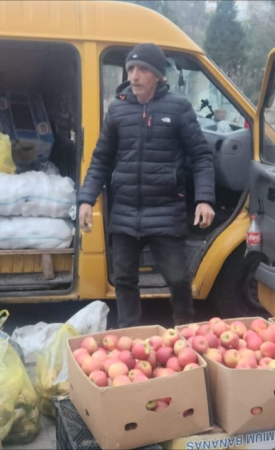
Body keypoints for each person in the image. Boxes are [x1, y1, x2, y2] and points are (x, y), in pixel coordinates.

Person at [77, 43, 216, 328]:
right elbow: (101, 159)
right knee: (124, 278)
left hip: (166, 210)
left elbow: (202, 156)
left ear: (159, 76)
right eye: (131, 69)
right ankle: (130, 331)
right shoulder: (117, 111)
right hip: (126, 212)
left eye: (142, 69)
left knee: (178, 277)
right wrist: (86, 199)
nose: (134, 75)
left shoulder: (178, 108)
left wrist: (205, 199)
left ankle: (184, 326)